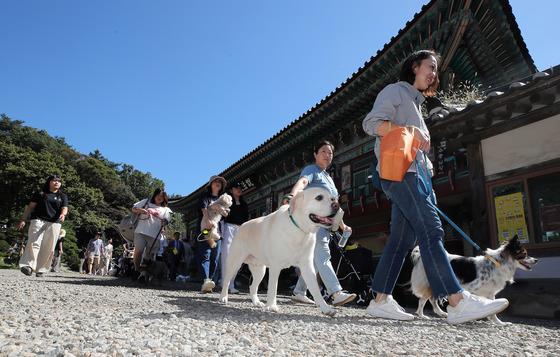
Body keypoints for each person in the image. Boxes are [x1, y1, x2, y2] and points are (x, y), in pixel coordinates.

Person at [362, 49, 509, 324]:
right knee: (431, 230)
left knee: (401, 240)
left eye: (435, 70)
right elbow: (370, 124)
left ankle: (380, 300)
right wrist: (409, 131)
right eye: (430, 66)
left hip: (417, 177)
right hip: (401, 173)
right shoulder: (396, 91)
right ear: (414, 66)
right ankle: (457, 302)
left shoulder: (417, 105)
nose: (433, 74)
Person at [283, 141, 356, 306]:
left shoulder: (329, 178)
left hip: (326, 224)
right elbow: (302, 183)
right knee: (323, 255)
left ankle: (299, 292)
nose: (327, 155)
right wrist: (292, 196)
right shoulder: (312, 170)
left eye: (330, 153)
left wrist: (343, 226)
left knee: (315, 261)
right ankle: (336, 292)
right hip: (314, 223)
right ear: (315, 154)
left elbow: (334, 207)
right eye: (323, 151)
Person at [17, 174, 69, 277]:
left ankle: (41, 269)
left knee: (49, 247)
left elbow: (65, 207)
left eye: (59, 181)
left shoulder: (62, 196)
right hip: (38, 220)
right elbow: (30, 207)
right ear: (49, 182)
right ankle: (28, 266)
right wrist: (23, 219)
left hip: (54, 223)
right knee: (34, 242)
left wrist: (63, 214)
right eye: (54, 180)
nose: (57, 182)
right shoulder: (40, 193)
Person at [196, 175, 227, 293]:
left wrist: (223, 210)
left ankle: (210, 283)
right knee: (205, 255)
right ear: (211, 184)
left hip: (218, 233)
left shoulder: (222, 199)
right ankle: (206, 280)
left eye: (220, 182)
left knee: (215, 257)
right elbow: (203, 209)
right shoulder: (205, 197)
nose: (218, 183)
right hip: (205, 230)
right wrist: (208, 219)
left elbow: (226, 214)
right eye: (216, 181)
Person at [130, 188, 172, 274]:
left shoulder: (166, 209)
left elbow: (168, 220)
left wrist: (165, 222)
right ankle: (137, 270)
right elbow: (133, 209)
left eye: (162, 196)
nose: (159, 197)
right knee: (138, 251)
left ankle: (146, 273)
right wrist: (140, 210)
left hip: (155, 235)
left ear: (164, 198)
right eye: (158, 195)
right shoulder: (146, 202)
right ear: (154, 195)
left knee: (150, 256)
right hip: (140, 231)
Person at [220, 181, 249, 294]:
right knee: (227, 256)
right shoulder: (227, 202)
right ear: (231, 190)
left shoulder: (244, 204)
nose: (239, 189)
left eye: (240, 187)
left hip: (241, 230)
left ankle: (232, 283)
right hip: (229, 228)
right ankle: (225, 284)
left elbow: (246, 219)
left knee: (238, 257)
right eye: (236, 187)